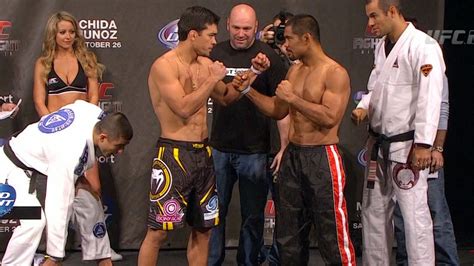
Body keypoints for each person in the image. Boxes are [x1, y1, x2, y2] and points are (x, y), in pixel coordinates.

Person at [137, 6, 269, 266]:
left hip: (203, 154)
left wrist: (253, 73)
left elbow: (227, 97)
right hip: (174, 154)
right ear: (193, 35)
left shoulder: (206, 65)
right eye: (210, 35)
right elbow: (184, 108)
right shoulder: (164, 66)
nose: (214, 41)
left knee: (204, 228)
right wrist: (212, 79)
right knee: (159, 232)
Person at [239, 14, 356, 265]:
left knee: (332, 234)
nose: (286, 45)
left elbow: (329, 117)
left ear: (307, 38)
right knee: (289, 236)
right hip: (293, 156)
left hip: (322, 156)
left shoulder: (334, 73)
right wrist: (247, 90)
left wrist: (294, 100)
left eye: (290, 39)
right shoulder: (294, 70)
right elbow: (277, 110)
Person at [352, 0, 445, 265]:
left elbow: (430, 98)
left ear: (392, 11)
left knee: (415, 219)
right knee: (373, 216)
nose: (369, 24)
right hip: (379, 144)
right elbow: (375, 89)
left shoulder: (423, 47)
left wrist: (425, 144)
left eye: (373, 16)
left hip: (407, 148)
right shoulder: (382, 46)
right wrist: (363, 108)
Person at [32, 11, 121, 263]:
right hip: (55, 137)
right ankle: (51, 249)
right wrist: (54, 130)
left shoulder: (86, 59)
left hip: (82, 136)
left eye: (71, 32)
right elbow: (40, 102)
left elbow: (93, 99)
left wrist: (84, 127)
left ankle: (100, 248)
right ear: (53, 34)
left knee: (94, 190)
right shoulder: (43, 63)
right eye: (62, 32)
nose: (68, 36)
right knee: (57, 195)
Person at [0, 100, 133, 266]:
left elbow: (77, 104)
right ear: (103, 137)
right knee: (33, 222)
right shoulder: (71, 152)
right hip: (7, 170)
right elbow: (58, 205)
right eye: (119, 146)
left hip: (30, 166)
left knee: (90, 200)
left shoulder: (91, 112)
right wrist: (55, 255)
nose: (120, 151)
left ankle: (103, 257)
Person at [207, 4, 288, 266]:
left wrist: (284, 146)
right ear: (228, 24)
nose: (241, 34)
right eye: (237, 27)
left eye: (247, 28)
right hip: (219, 148)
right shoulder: (214, 52)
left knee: (252, 217)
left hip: (255, 151)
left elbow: (282, 107)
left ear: (256, 27)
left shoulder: (269, 57)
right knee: (213, 214)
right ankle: (212, 262)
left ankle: (248, 263)